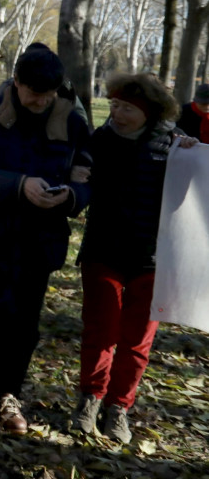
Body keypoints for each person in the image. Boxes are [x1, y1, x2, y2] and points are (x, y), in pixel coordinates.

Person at [0, 46, 91, 434]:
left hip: (42, 237)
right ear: (16, 83)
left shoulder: (73, 122)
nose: (41, 101)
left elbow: (88, 173)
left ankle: (9, 393)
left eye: (49, 94)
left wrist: (72, 197)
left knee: (27, 320)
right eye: (34, 93)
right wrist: (17, 185)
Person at [70, 73, 198, 444]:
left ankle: (118, 408)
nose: (118, 113)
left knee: (137, 341)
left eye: (127, 107)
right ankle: (89, 400)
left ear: (149, 111)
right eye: (113, 105)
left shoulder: (173, 144)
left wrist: (190, 154)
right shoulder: (100, 141)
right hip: (103, 252)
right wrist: (78, 178)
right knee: (101, 331)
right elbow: (82, 182)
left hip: (152, 259)